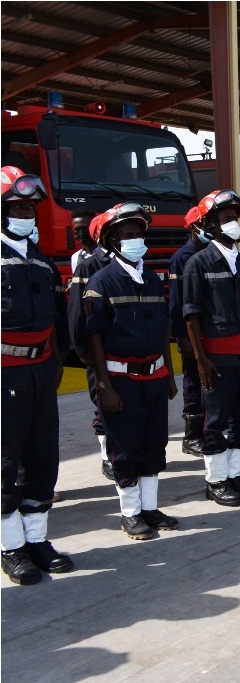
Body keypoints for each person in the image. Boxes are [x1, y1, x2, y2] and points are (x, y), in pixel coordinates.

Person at [85, 203, 180, 540]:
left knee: (154, 444)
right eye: (128, 235)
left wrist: (168, 373)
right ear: (112, 241)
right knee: (124, 448)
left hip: (153, 377)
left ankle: (150, 508)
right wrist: (104, 386)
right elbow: (93, 336)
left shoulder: (152, 279)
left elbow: (162, 329)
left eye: (139, 233)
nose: (136, 239)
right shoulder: (102, 281)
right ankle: (130, 514)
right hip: (121, 380)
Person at [1, 166, 74, 584]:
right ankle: (10, 547)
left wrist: (58, 359)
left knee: (43, 457)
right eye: (16, 206)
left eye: (30, 206)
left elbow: (59, 316)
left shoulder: (40, 259)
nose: (26, 213)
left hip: (41, 371)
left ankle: (36, 539)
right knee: (6, 461)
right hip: (5, 373)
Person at [182, 189, 240, 507]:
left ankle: (234, 474)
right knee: (215, 419)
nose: (233, 224)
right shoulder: (197, 263)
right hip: (216, 355)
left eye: (234, 219)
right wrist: (201, 359)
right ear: (210, 224)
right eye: (226, 219)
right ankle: (215, 481)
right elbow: (191, 314)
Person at [68, 213, 116, 480]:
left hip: (118, 346)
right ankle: (106, 457)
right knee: (102, 403)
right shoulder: (84, 263)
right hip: (97, 348)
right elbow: (76, 311)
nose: (79, 233)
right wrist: (83, 350)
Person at [169, 198, 213, 456]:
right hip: (191, 333)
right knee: (194, 383)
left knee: (211, 383)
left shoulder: (212, 255)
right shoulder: (181, 259)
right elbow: (176, 303)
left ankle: (209, 430)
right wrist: (182, 338)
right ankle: (192, 435)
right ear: (195, 227)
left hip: (211, 330)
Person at [69, 209, 97, 274]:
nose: (81, 232)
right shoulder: (75, 258)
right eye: (77, 229)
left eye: (85, 228)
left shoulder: (110, 255)